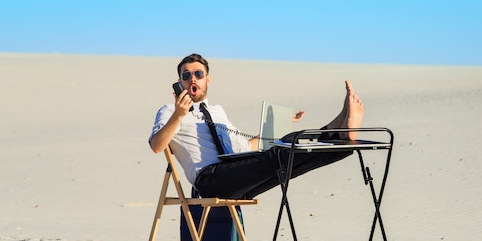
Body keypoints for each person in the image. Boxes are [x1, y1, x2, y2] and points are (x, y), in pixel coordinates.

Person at [149, 53, 364, 199]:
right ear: (179, 82)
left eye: (198, 74)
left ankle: (337, 131)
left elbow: (243, 147)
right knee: (279, 155)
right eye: (186, 76)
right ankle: (338, 131)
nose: (192, 79)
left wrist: (276, 124)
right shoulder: (169, 111)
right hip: (210, 180)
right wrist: (179, 114)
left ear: (208, 79)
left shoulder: (217, 111)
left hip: (234, 173)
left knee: (288, 144)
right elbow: (157, 146)